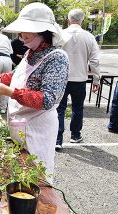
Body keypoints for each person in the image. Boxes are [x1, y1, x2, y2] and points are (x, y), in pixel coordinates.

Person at [0, 2, 71, 183]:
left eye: (26, 31)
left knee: (36, 179)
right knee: (18, 172)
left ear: (42, 32)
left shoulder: (57, 57)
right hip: (21, 122)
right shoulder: (31, 52)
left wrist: (8, 92)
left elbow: (47, 99)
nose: (21, 36)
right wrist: (1, 80)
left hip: (38, 127)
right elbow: (17, 74)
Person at [56, 9, 101, 149]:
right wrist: (96, 80)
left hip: (61, 78)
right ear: (83, 22)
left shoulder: (60, 35)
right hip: (80, 78)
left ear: (68, 21)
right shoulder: (89, 37)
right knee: (77, 107)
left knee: (59, 109)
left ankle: (58, 139)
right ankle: (75, 135)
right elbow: (94, 61)